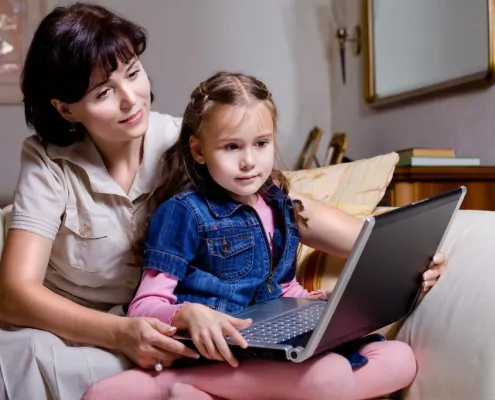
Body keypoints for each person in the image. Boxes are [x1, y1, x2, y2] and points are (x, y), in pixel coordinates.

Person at [0, 3, 445, 400]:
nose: (130, 99)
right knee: (35, 355)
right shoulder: (48, 162)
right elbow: (16, 294)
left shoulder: (190, 140)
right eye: (102, 93)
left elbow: (284, 205)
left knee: (378, 360)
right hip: (87, 324)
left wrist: (392, 253)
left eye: (133, 73)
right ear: (65, 109)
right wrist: (122, 332)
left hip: (174, 325)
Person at [83, 71, 441, 400]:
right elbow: (143, 306)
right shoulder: (184, 212)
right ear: (199, 151)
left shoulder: (279, 204)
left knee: (400, 358)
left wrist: (316, 303)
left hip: (272, 343)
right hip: (219, 350)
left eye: (261, 143)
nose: (249, 162)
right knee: (329, 376)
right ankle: (175, 385)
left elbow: (280, 287)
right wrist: (186, 314)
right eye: (232, 147)